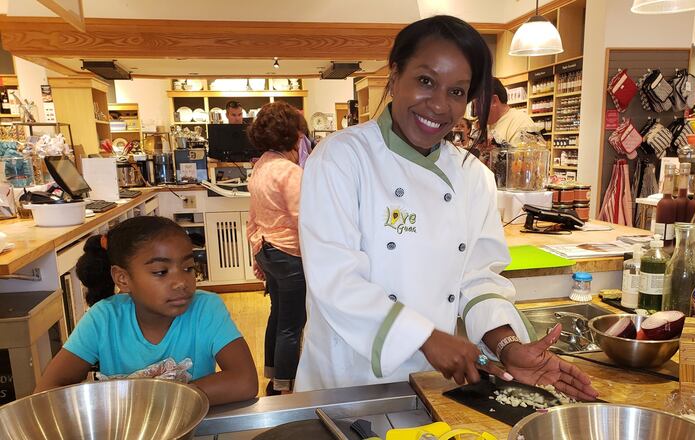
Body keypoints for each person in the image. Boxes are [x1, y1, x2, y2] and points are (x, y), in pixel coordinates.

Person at [295, 15, 598, 401]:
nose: (439, 105)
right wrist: (426, 338)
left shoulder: (473, 176)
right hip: (347, 380)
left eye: (457, 91)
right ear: (395, 75)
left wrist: (508, 346)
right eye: (425, 81)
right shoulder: (341, 158)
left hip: (431, 382)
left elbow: (478, 277)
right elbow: (336, 280)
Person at [35, 216, 258, 406]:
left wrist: (154, 401)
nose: (181, 282)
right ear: (122, 278)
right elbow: (46, 392)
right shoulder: (104, 318)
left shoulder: (205, 309)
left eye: (188, 268)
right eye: (161, 272)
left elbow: (244, 381)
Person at [246, 101, 307, 395]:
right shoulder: (289, 171)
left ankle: (273, 376)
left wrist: (256, 256)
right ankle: (286, 387)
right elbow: (303, 220)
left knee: (278, 314)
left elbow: (253, 216)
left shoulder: (261, 166)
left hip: (266, 248)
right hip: (289, 253)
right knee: (292, 324)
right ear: (293, 134)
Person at [486, 78, 537, 145]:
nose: (475, 111)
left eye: (478, 105)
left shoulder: (521, 123)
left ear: (494, 101)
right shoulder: (487, 125)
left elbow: (527, 151)